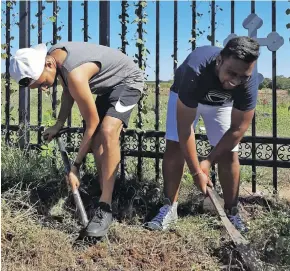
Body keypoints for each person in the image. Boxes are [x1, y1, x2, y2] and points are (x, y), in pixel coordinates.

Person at [9, 42, 144, 237]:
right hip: (108, 88)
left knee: (107, 131)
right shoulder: (56, 60)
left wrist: (75, 167)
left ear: (48, 65)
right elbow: (67, 93)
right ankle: (106, 189)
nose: (44, 89)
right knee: (97, 142)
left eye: (42, 83)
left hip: (128, 80)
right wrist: (58, 124)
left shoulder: (74, 72)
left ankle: (105, 209)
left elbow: (92, 123)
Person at [146, 36, 260, 233]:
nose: (235, 81)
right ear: (219, 60)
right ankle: (169, 207)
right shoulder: (195, 70)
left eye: (242, 76)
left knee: (229, 152)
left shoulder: (249, 80)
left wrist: (206, 162)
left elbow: (237, 129)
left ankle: (231, 212)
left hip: (222, 104)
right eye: (231, 73)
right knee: (174, 144)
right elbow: (185, 128)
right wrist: (196, 172)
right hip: (186, 98)